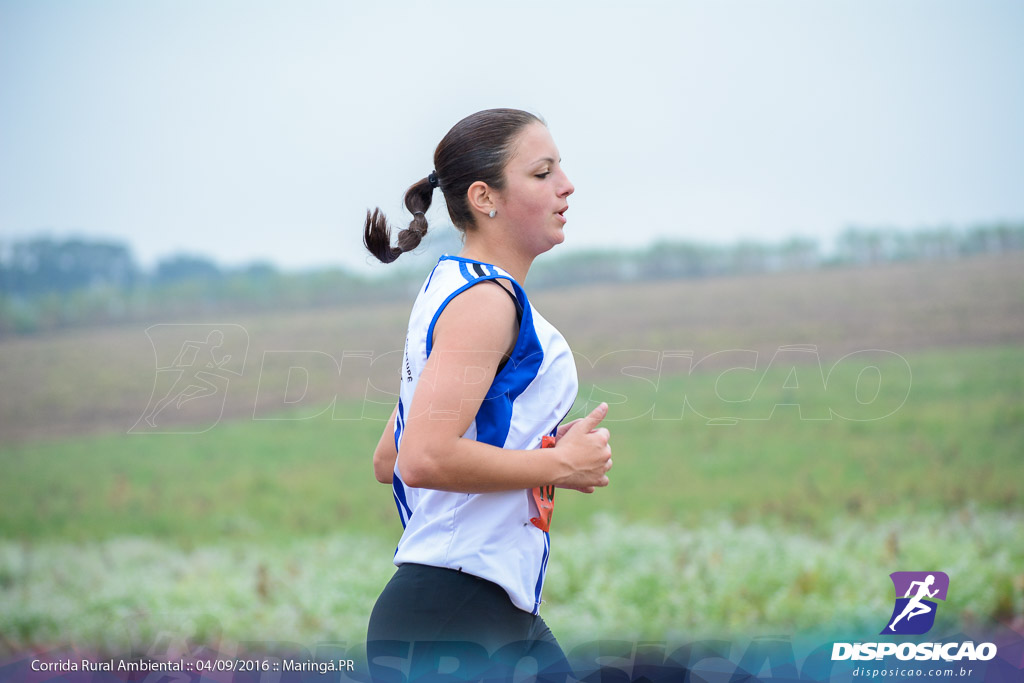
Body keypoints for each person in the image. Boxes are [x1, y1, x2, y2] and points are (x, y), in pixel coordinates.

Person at [362, 108, 613, 682]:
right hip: (454, 613)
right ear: (484, 197)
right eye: (543, 173)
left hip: (487, 611)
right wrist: (559, 463)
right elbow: (421, 458)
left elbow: (389, 458)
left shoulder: (453, 287)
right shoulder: (485, 301)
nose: (566, 186)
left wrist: (539, 442)